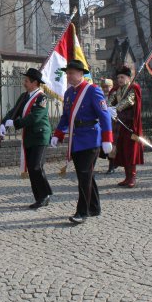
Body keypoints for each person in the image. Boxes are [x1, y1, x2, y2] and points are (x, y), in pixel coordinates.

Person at [51, 60, 113, 224]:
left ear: (81, 74)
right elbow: (66, 116)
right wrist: (58, 133)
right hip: (76, 138)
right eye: (68, 73)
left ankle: (82, 211)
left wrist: (107, 139)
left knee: (84, 175)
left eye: (71, 73)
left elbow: (104, 115)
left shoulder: (93, 91)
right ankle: (94, 207)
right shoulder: (69, 93)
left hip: (91, 138)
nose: (69, 76)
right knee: (86, 175)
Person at [0, 68, 53, 209]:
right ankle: (40, 197)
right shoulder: (24, 96)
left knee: (36, 166)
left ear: (35, 82)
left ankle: (45, 195)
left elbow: (35, 117)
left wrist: (16, 123)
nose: (24, 83)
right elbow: (14, 111)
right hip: (29, 136)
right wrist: (3, 123)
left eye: (27, 81)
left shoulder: (42, 98)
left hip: (40, 135)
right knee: (32, 167)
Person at [107, 65, 144, 188]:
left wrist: (115, 109)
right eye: (118, 77)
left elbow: (129, 101)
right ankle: (127, 177)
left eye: (122, 77)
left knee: (130, 152)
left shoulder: (133, 88)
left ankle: (132, 177)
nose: (120, 80)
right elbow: (110, 100)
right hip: (120, 125)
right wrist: (107, 108)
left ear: (128, 78)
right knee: (122, 151)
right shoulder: (117, 90)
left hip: (130, 125)